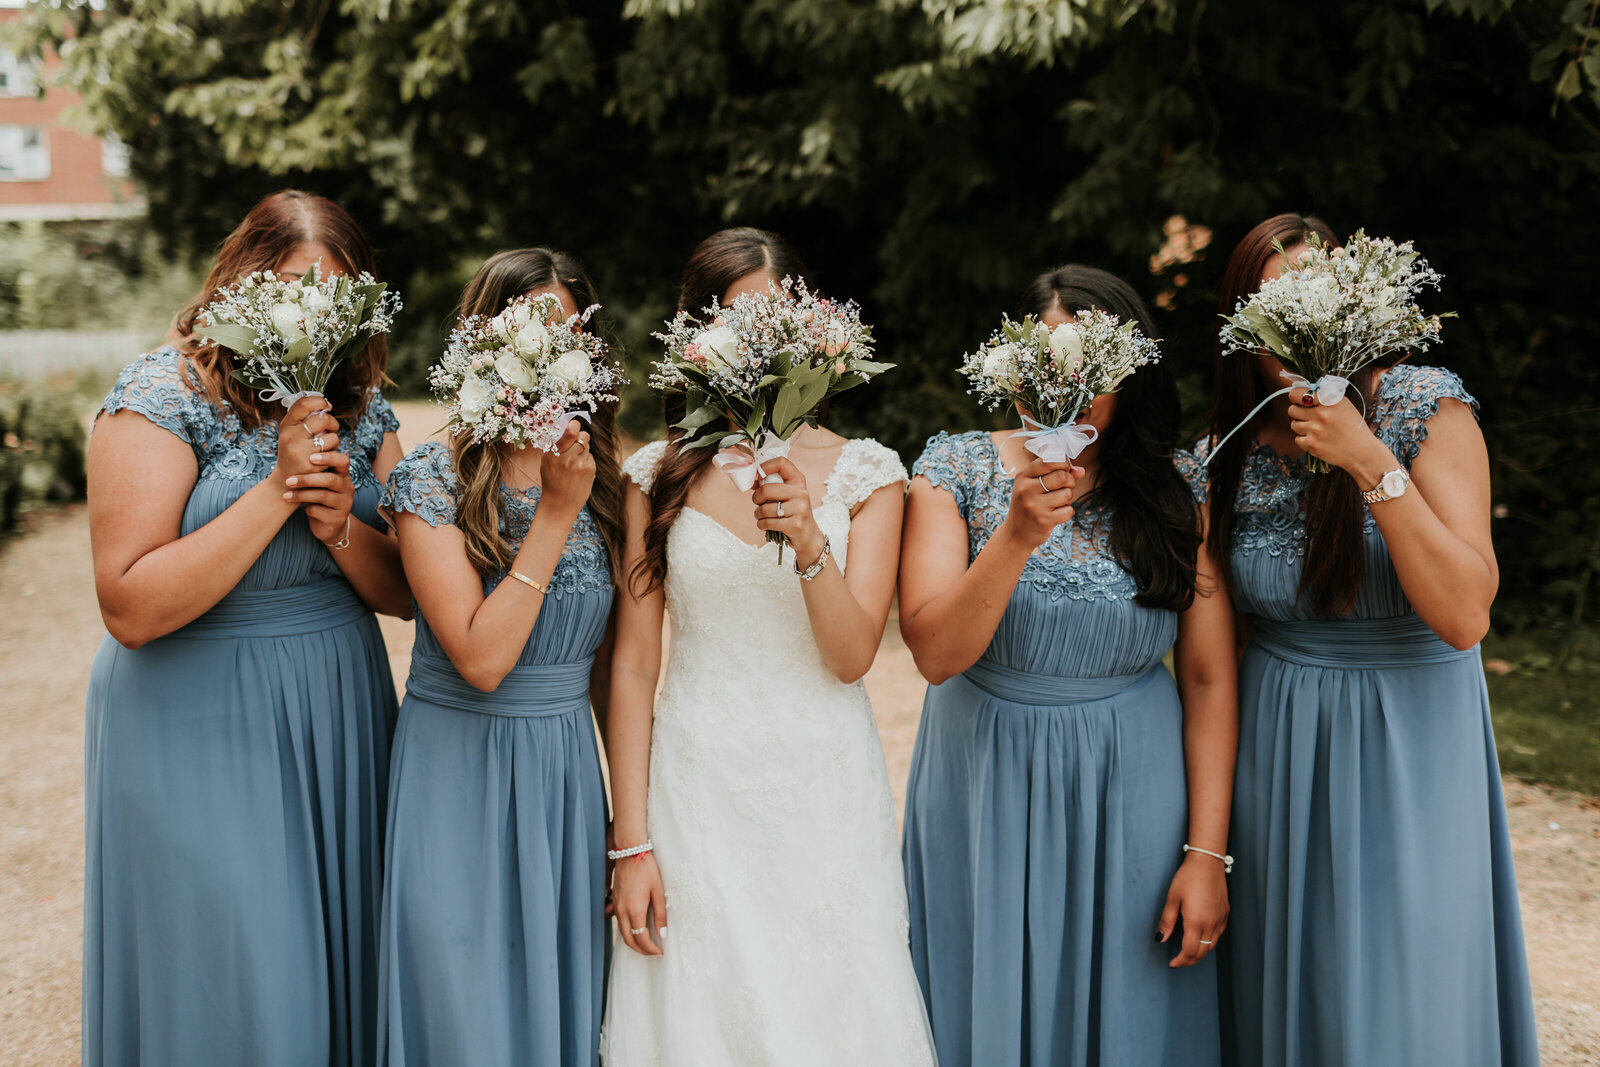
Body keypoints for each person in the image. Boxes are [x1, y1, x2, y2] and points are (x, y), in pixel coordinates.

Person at [1194, 213, 1540, 1066]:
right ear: (1245, 325)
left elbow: (1465, 613)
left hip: (1414, 740)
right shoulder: (1225, 453)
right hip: (1282, 749)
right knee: (1300, 988)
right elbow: (1212, 662)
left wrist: (1365, 457)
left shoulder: (1427, 404)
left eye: (1320, 298)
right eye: (1279, 306)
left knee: (1403, 996)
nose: (1302, 326)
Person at [83, 190, 408, 1066]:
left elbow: (408, 593)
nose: (313, 309)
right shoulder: (163, 393)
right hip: (197, 715)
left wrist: (340, 524)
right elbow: (130, 606)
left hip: (336, 713)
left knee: (333, 963)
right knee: (235, 967)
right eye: (293, 286)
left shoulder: (365, 407)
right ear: (240, 283)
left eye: (335, 293)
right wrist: (276, 492)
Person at [600, 227, 936, 1065]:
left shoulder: (870, 474)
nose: (757, 343)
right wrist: (631, 842)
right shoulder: (657, 474)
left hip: (821, 780)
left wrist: (810, 545)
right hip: (696, 783)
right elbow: (637, 663)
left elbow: (853, 656)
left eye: (773, 320)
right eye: (733, 321)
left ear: (811, 332)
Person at [898, 265, 1237, 1066]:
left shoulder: (1172, 485)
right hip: (985, 779)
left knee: (1130, 1005)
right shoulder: (955, 470)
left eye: (1092, 366)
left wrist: (1206, 853)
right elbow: (936, 655)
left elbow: (1210, 677)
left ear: (1129, 373)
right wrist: (1015, 534)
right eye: (1046, 359)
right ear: (1010, 367)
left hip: (1135, 786)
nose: (1067, 383)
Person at [375, 248, 623, 1067]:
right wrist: (554, 515)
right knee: (463, 1010)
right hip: (459, 773)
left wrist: (631, 826)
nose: (546, 352)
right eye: (525, 331)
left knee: (563, 1006)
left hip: (564, 783)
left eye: (563, 333)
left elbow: (612, 670)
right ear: (482, 344)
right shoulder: (431, 480)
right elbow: (481, 658)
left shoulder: (608, 485)